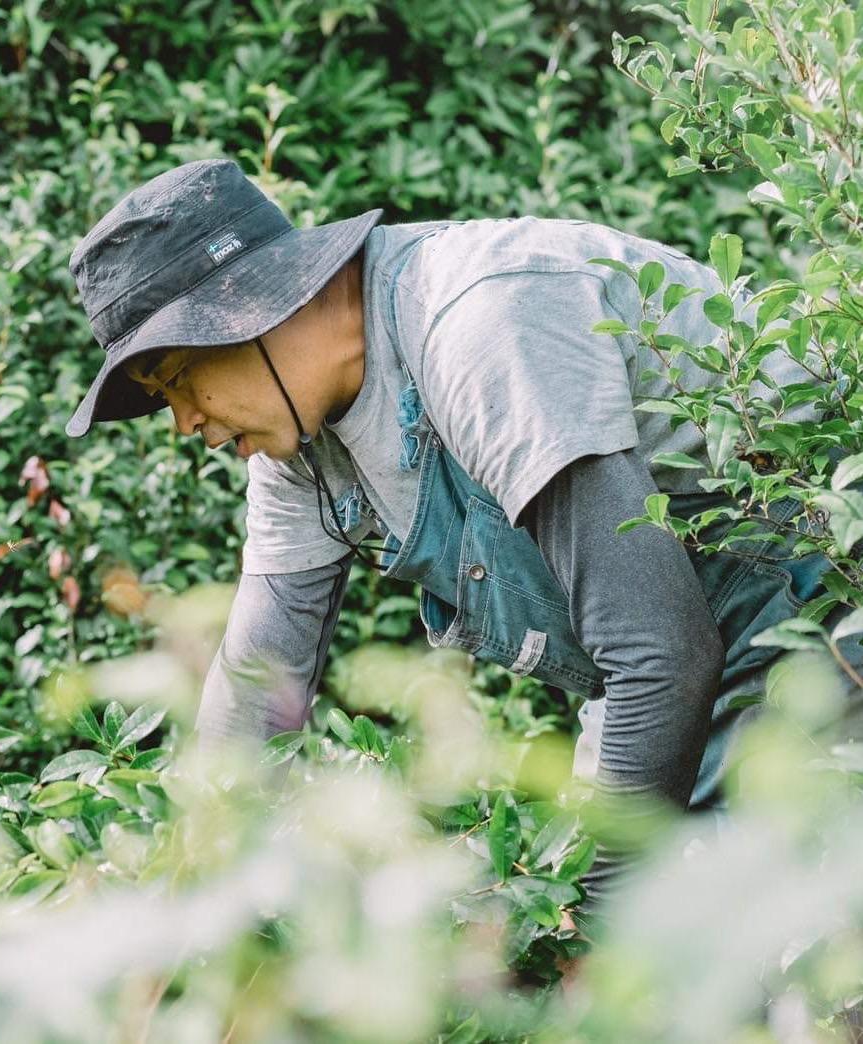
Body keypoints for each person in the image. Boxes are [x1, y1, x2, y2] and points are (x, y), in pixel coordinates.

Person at [62, 157, 845, 907]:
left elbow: (659, 652)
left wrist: (605, 918)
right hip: (683, 671)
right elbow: (255, 684)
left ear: (253, 307)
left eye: (176, 381)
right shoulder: (296, 446)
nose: (184, 423)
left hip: (821, 603)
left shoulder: (478, 325)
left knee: (772, 959)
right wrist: (188, 903)